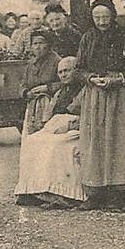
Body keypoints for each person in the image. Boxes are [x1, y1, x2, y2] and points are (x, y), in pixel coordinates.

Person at [75, 0, 125, 211]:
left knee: (120, 141)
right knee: (95, 142)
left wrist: (118, 79)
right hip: (96, 96)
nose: (101, 21)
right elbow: (79, 69)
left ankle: (121, 194)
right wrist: (90, 78)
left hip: (120, 96)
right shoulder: (88, 37)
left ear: (113, 16)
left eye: (105, 17)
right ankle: (96, 193)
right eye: (97, 17)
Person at [14, 56, 86, 208]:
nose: (63, 75)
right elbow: (51, 113)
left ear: (76, 71)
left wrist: (69, 126)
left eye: (67, 71)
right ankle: (33, 191)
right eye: (60, 72)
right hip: (57, 125)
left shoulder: (85, 90)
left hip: (76, 127)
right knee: (32, 141)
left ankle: (63, 194)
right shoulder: (60, 91)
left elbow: (86, 115)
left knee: (56, 145)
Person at [19, 29, 62, 136]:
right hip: (33, 105)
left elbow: (65, 83)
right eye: (35, 44)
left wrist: (47, 88)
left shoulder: (57, 61)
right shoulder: (31, 64)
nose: (38, 47)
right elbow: (23, 84)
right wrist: (26, 93)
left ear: (48, 45)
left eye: (41, 43)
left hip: (50, 105)